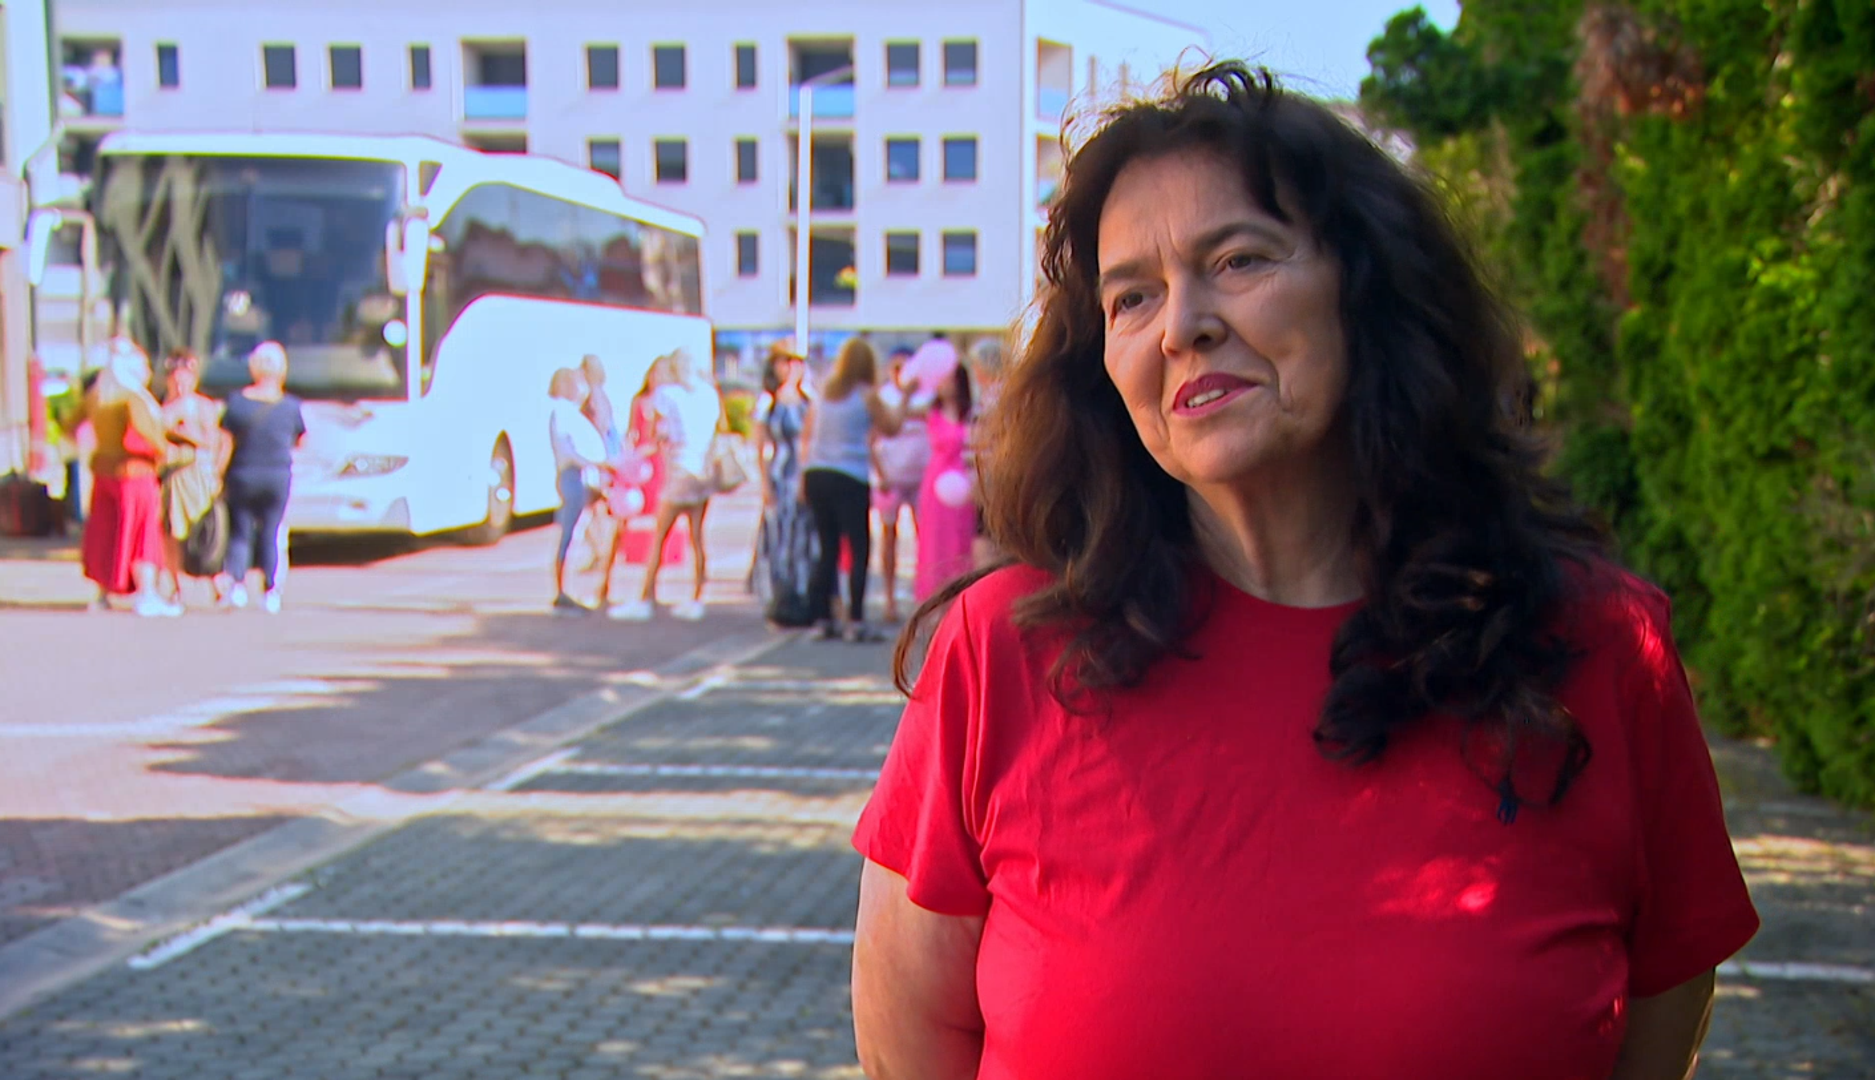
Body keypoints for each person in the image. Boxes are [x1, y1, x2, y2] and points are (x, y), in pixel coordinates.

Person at [851, 63, 1759, 1080]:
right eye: (1131, 296)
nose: (1182, 325)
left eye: (1237, 259)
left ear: (1367, 290)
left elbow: (1659, 1013)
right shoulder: (1001, 655)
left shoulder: (1597, 647)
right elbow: (907, 1041)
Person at [799, 337, 903, 642]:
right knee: (858, 547)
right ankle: (855, 619)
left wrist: (803, 476)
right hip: (850, 475)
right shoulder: (867, 396)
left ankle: (823, 617)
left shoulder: (823, 395)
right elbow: (892, 427)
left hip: (818, 473)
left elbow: (807, 435)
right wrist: (906, 398)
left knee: (827, 547)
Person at [611, 348, 721, 621]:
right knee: (697, 538)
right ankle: (697, 597)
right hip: (702, 471)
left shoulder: (667, 395)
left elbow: (656, 433)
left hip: (679, 471)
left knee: (659, 536)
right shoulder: (709, 394)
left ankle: (646, 597)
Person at [80, 339, 178, 617]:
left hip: (104, 473)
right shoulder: (133, 399)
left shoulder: (97, 397)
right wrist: (168, 449)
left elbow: (70, 425)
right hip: (136, 473)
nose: (148, 371)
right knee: (143, 533)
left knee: (107, 534)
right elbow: (149, 435)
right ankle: (147, 593)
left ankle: (102, 593)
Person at [215, 341, 306, 614]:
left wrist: (217, 475)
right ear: (282, 371)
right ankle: (271, 592)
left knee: (240, 532)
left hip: (242, 474)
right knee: (271, 532)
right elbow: (301, 441)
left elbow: (225, 444)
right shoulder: (290, 406)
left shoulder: (236, 403)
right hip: (277, 476)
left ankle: (237, 586)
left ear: (253, 368)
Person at [751, 344, 818, 623]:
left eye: (797, 363)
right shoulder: (768, 402)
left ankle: (805, 597)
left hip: (806, 475)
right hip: (781, 475)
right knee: (780, 538)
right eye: (785, 362)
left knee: (804, 538)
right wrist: (765, 484)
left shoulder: (809, 400)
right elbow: (761, 446)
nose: (792, 369)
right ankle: (781, 599)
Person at [157, 350, 225, 607]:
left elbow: (212, 441)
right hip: (171, 476)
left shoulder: (204, 406)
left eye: (185, 379)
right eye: (175, 379)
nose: (180, 385)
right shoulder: (161, 407)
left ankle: (216, 584)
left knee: (204, 532)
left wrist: (183, 432)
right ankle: (175, 587)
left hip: (198, 474)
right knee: (171, 532)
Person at [871, 347, 928, 622]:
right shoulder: (883, 398)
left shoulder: (927, 396)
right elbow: (871, 438)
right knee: (888, 537)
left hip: (921, 477)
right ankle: (889, 598)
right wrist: (880, 473)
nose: (900, 374)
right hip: (891, 477)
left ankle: (923, 596)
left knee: (924, 538)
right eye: (895, 368)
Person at [912, 361, 975, 601]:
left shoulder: (970, 414)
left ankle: (958, 587)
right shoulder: (930, 411)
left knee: (960, 535)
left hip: (962, 479)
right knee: (934, 537)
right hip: (937, 480)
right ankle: (931, 590)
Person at [548, 367, 608, 612]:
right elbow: (570, 450)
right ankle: (564, 592)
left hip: (582, 476)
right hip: (575, 477)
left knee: (582, 532)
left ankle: (572, 590)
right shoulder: (562, 412)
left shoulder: (570, 412)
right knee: (572, 534)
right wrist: (597, 463)